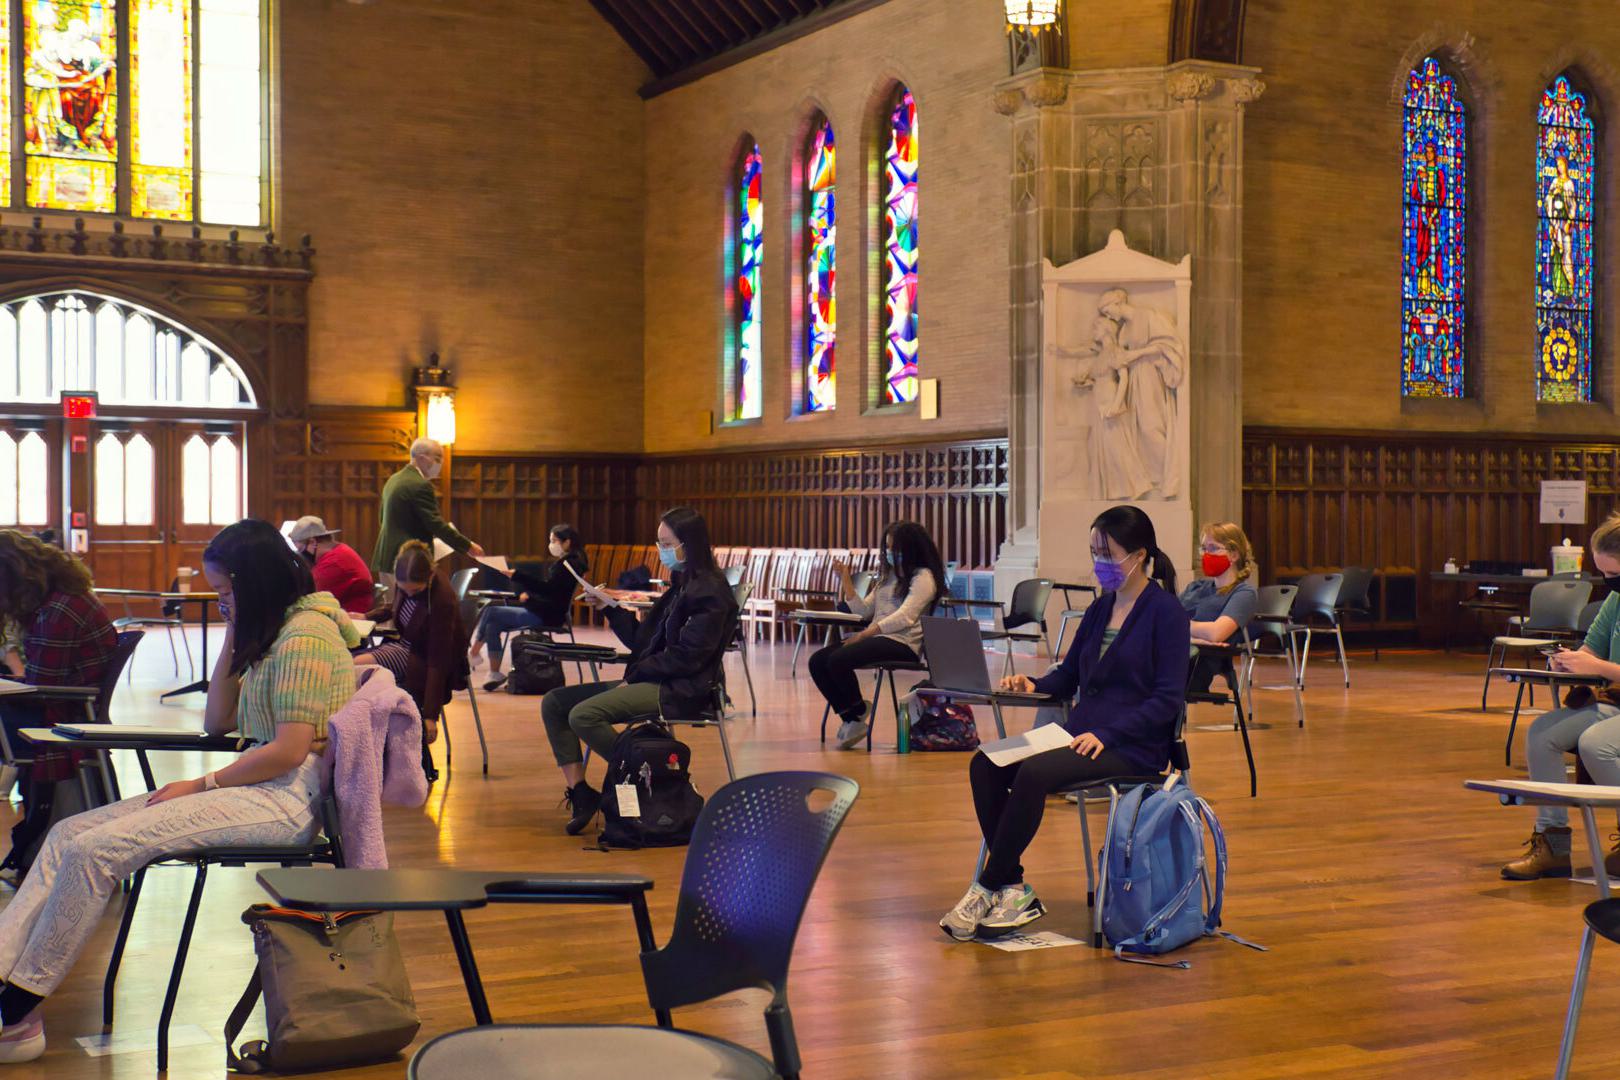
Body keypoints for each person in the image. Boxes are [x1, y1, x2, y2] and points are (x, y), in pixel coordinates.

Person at [0, 519, 357, 1063]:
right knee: (70, 832)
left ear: (255, 581)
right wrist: (237, 633)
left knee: (98, 850)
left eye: (226, 593)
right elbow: (217, 722)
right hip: (259, 781)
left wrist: (199, 783)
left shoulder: (307, 637)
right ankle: (3, 971)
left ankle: (16, 1011)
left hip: (286, 798)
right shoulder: (276, 631)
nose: (222, 604)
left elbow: (287, 751)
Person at [940, 506, 1188, 941]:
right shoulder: (1099, 610)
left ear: (1139, 555)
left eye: (1107, 553)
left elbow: (1167, 699)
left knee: (1036, 772)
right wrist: (1032, 681)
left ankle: (989, 883)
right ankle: (1012, 885)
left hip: (1132, 745)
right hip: (1079, 737)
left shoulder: (1166, 613)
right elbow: (1069, 675)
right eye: (1094, 552)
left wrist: (1109, 733)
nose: (1099, 563)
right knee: (986, 764)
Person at [541, 507, 736, 835]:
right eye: (659, 542)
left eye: (666, 543)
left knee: (583, 716)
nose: (661, 550)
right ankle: (581, 794)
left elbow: (688, 657)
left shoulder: (710, 590)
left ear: (689, 543)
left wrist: (634, 677)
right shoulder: (682, 584)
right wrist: (609, 607)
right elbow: (643, 639)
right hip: (657, 677)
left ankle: (655, 779)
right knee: (555, 703)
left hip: (682, 688)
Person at [1501, 511, 1620, 881]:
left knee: (1596, 743)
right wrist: (1567, 663)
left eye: (1614, 574)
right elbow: (1592, 652)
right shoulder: (1616, 600)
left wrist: (1597, 667)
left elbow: (1599, 666)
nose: (1608, 582)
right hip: (1615, 701)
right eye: (1603, 573)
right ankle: (1553, 845)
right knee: (1542, 733)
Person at [810, 521, 945, 750]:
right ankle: (852, 714)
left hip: (903, 643)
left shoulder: (924, 577)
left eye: (895, 548)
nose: (890, 553)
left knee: (837, 660)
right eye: (888, 547)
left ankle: (857, 712)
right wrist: (845, 578)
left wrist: (864, 635)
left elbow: (905, 617)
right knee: (817, 661)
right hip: (877, 637)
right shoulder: (888, 576)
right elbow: (863, 611)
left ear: (910, 548)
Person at [355, 540, 469, 783]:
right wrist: (365, 616)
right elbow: (396, 608)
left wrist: (430, 715)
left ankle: (372, 755)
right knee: (354, 664)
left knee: (356, 667)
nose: (408, 594)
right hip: (405, 647)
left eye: (414, 591)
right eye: (403, 589)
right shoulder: (408, 580)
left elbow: (438, 660)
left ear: (430, 576)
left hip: (422, 659)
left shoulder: (442, 600)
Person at [0, 530, 116, 755]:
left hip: (61, 719)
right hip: (69, 707)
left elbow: (42, 691)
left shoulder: (57, 612)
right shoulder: (64, 598)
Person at [469, 524, 588, 692]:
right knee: (492, 625)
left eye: (554, 541)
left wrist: (520, 579)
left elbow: (550, 591)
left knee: (491, 610)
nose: (551, 545)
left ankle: (473, 653)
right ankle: (494, 673)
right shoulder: (568, 562)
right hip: (544, 610)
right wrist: (528, 595)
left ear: (567, 542)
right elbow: (551, 590)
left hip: (547, 615)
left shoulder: (569, 564)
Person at [371, 437, 484, 587]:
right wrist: (468, 546)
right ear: (421, 458)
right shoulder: (420, 484)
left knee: (394, 608)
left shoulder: (394, 479)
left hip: (387, 558)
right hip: (407, 561)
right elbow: (435, 524)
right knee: (410, 609)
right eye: (437, 458)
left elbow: (382, 518)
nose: (440, 464)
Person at [1180, 522, 1260, 692]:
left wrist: (1180, 628)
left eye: (1213, 548)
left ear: (1234, 555)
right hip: (1175, 652)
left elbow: (1216, 633)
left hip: (1196, 663)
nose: (1206, 554)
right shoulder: (1195, 587)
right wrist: (1193, 638)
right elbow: (1161, 623)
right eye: (1203, 548)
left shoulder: (1244, 593)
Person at [287, 515, 375, 615]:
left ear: (313, 542)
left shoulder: (332, 563)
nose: (301, 555)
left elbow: (307, 600)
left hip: (353, 620)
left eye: (300, 549)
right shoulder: (340, 551)